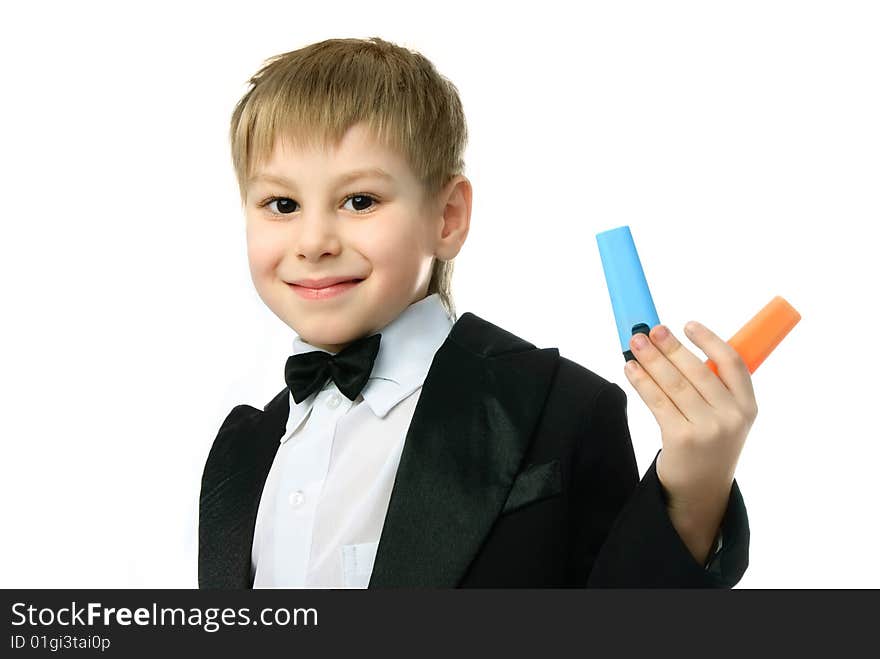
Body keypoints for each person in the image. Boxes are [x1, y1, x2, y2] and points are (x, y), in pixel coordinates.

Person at [199, 36, 756, 588]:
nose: (313, 241)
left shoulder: (559, 408)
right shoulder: (242, 449)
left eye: (360, 201)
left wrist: (694, 490)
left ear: (447, 217)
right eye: (282, 205)